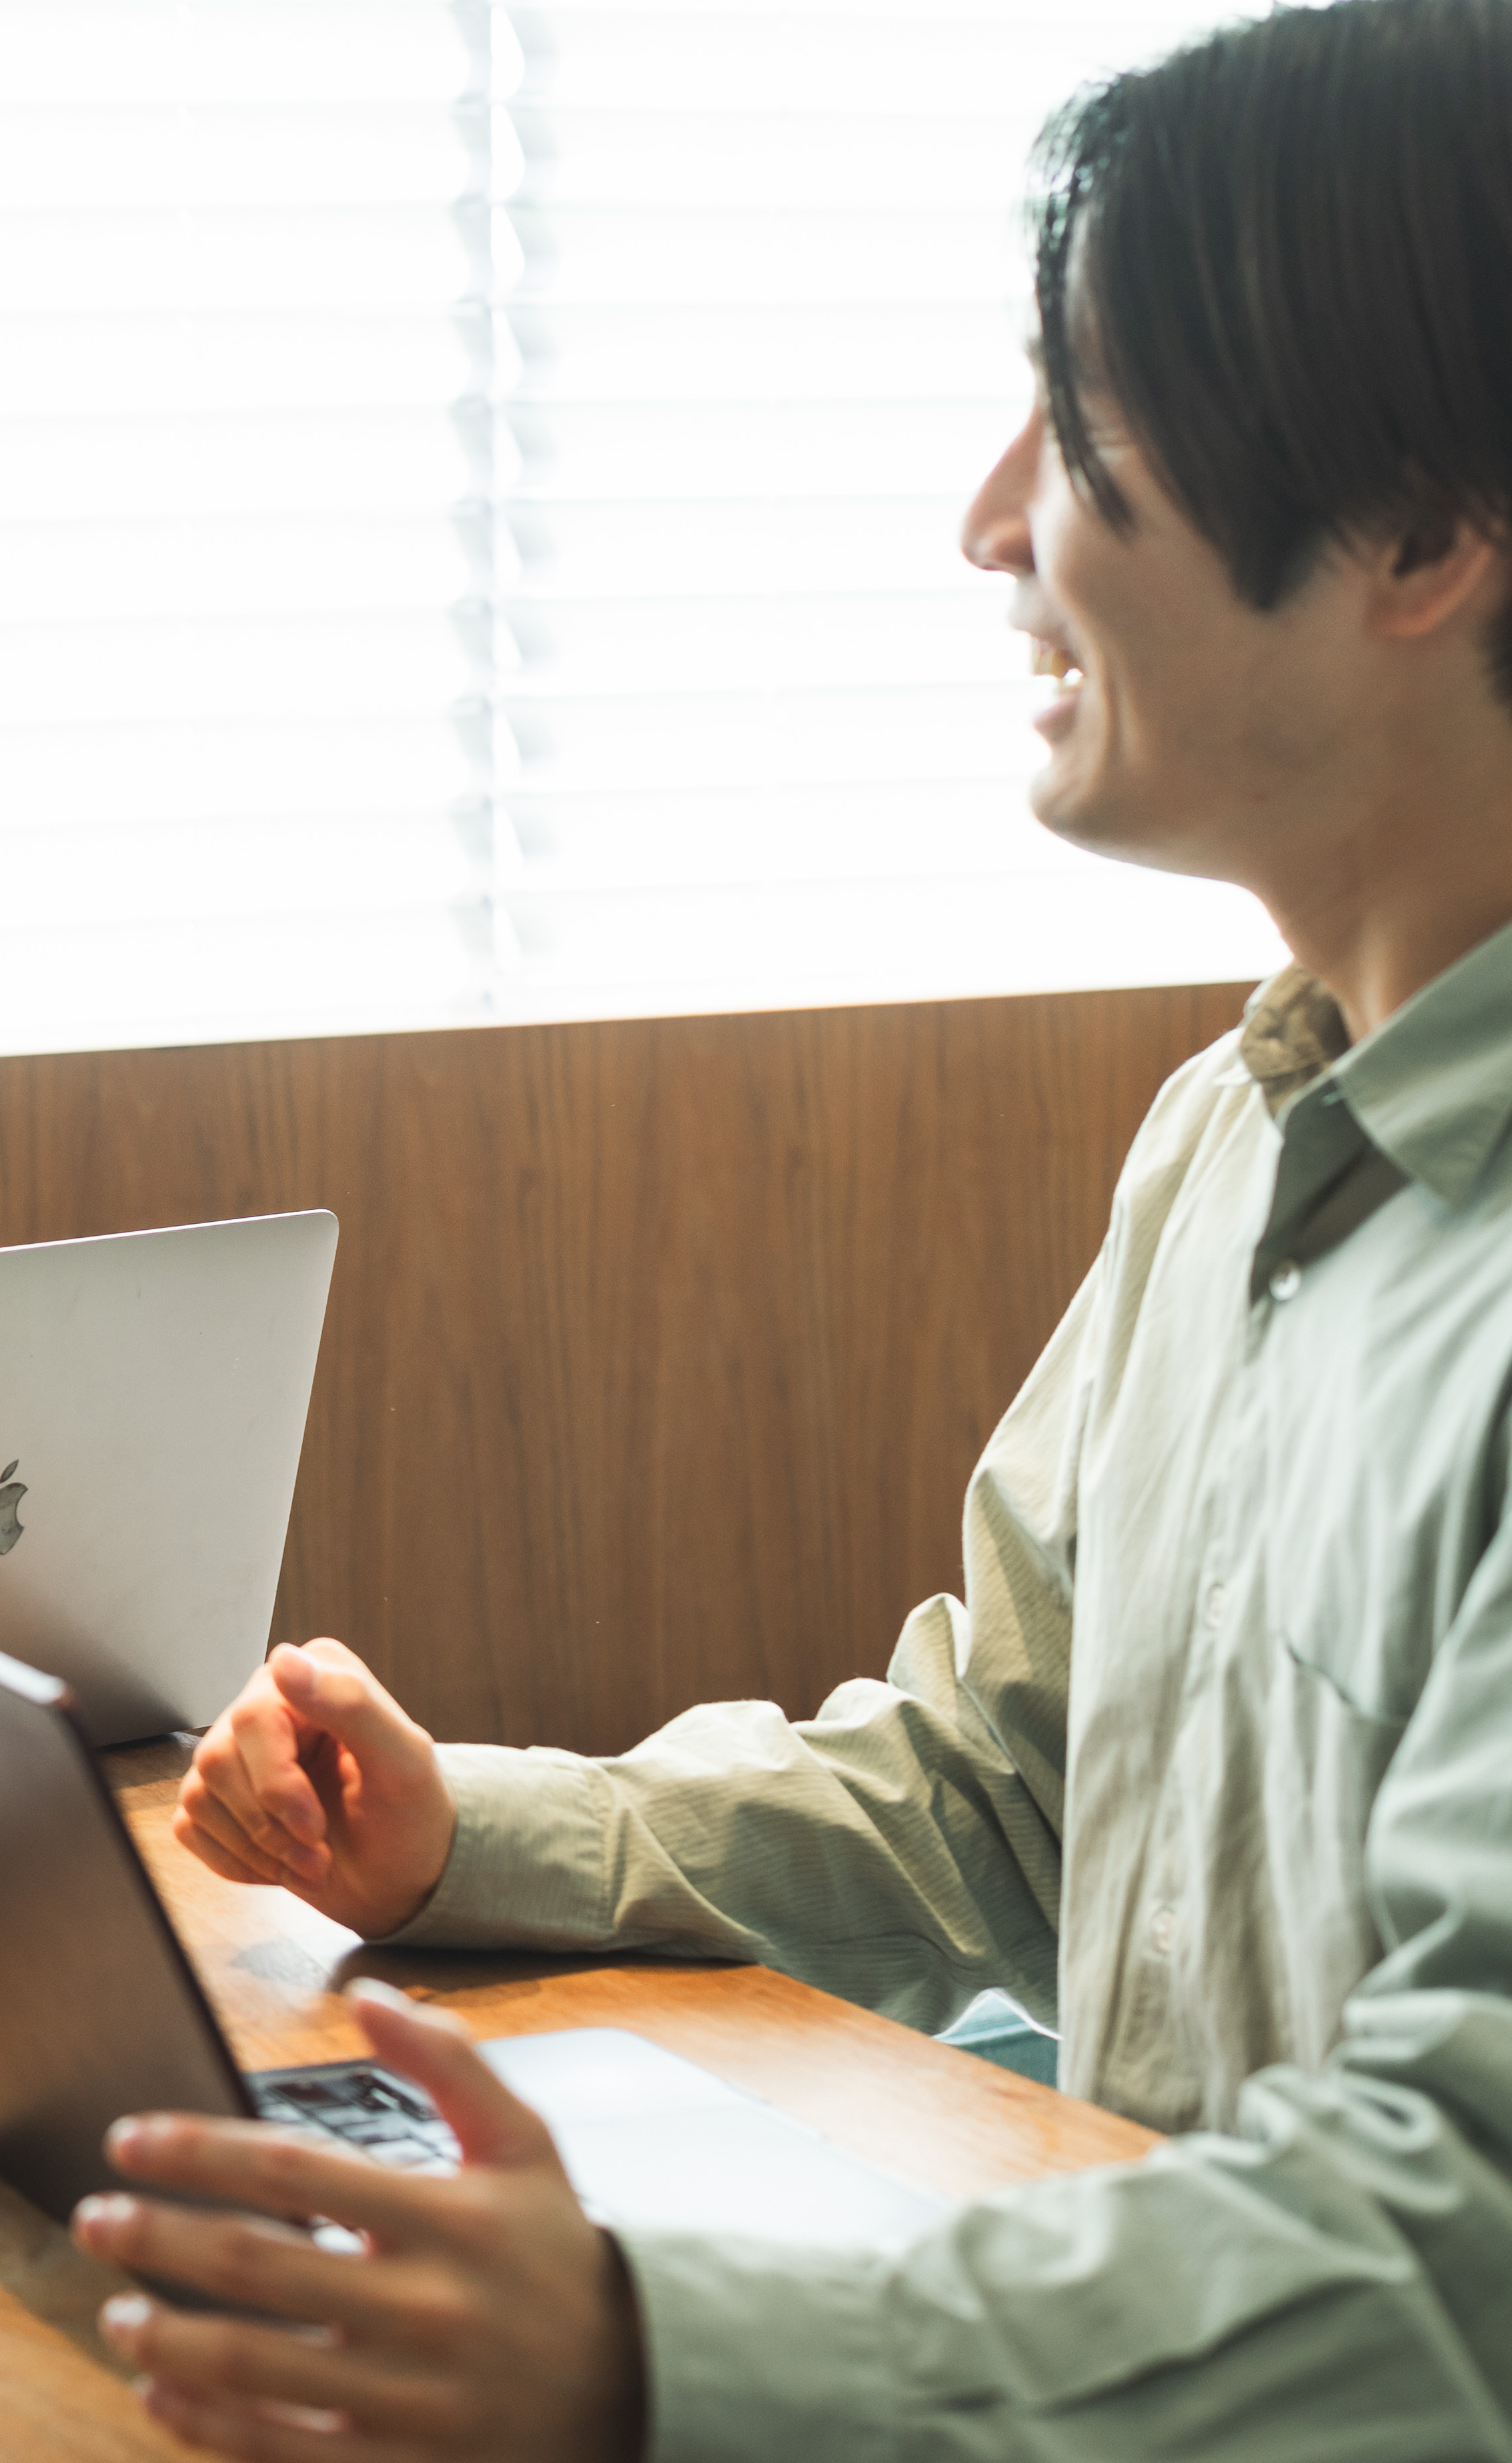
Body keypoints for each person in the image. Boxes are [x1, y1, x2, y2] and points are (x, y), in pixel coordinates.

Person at [78, 3, 1512, 2456]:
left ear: (1415, 534)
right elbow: (996, 1784)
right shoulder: (1228, 1135)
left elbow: (1462, 2241)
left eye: (1081, 427)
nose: (989, 523)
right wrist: (465, 1832)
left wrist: (658, 2353)